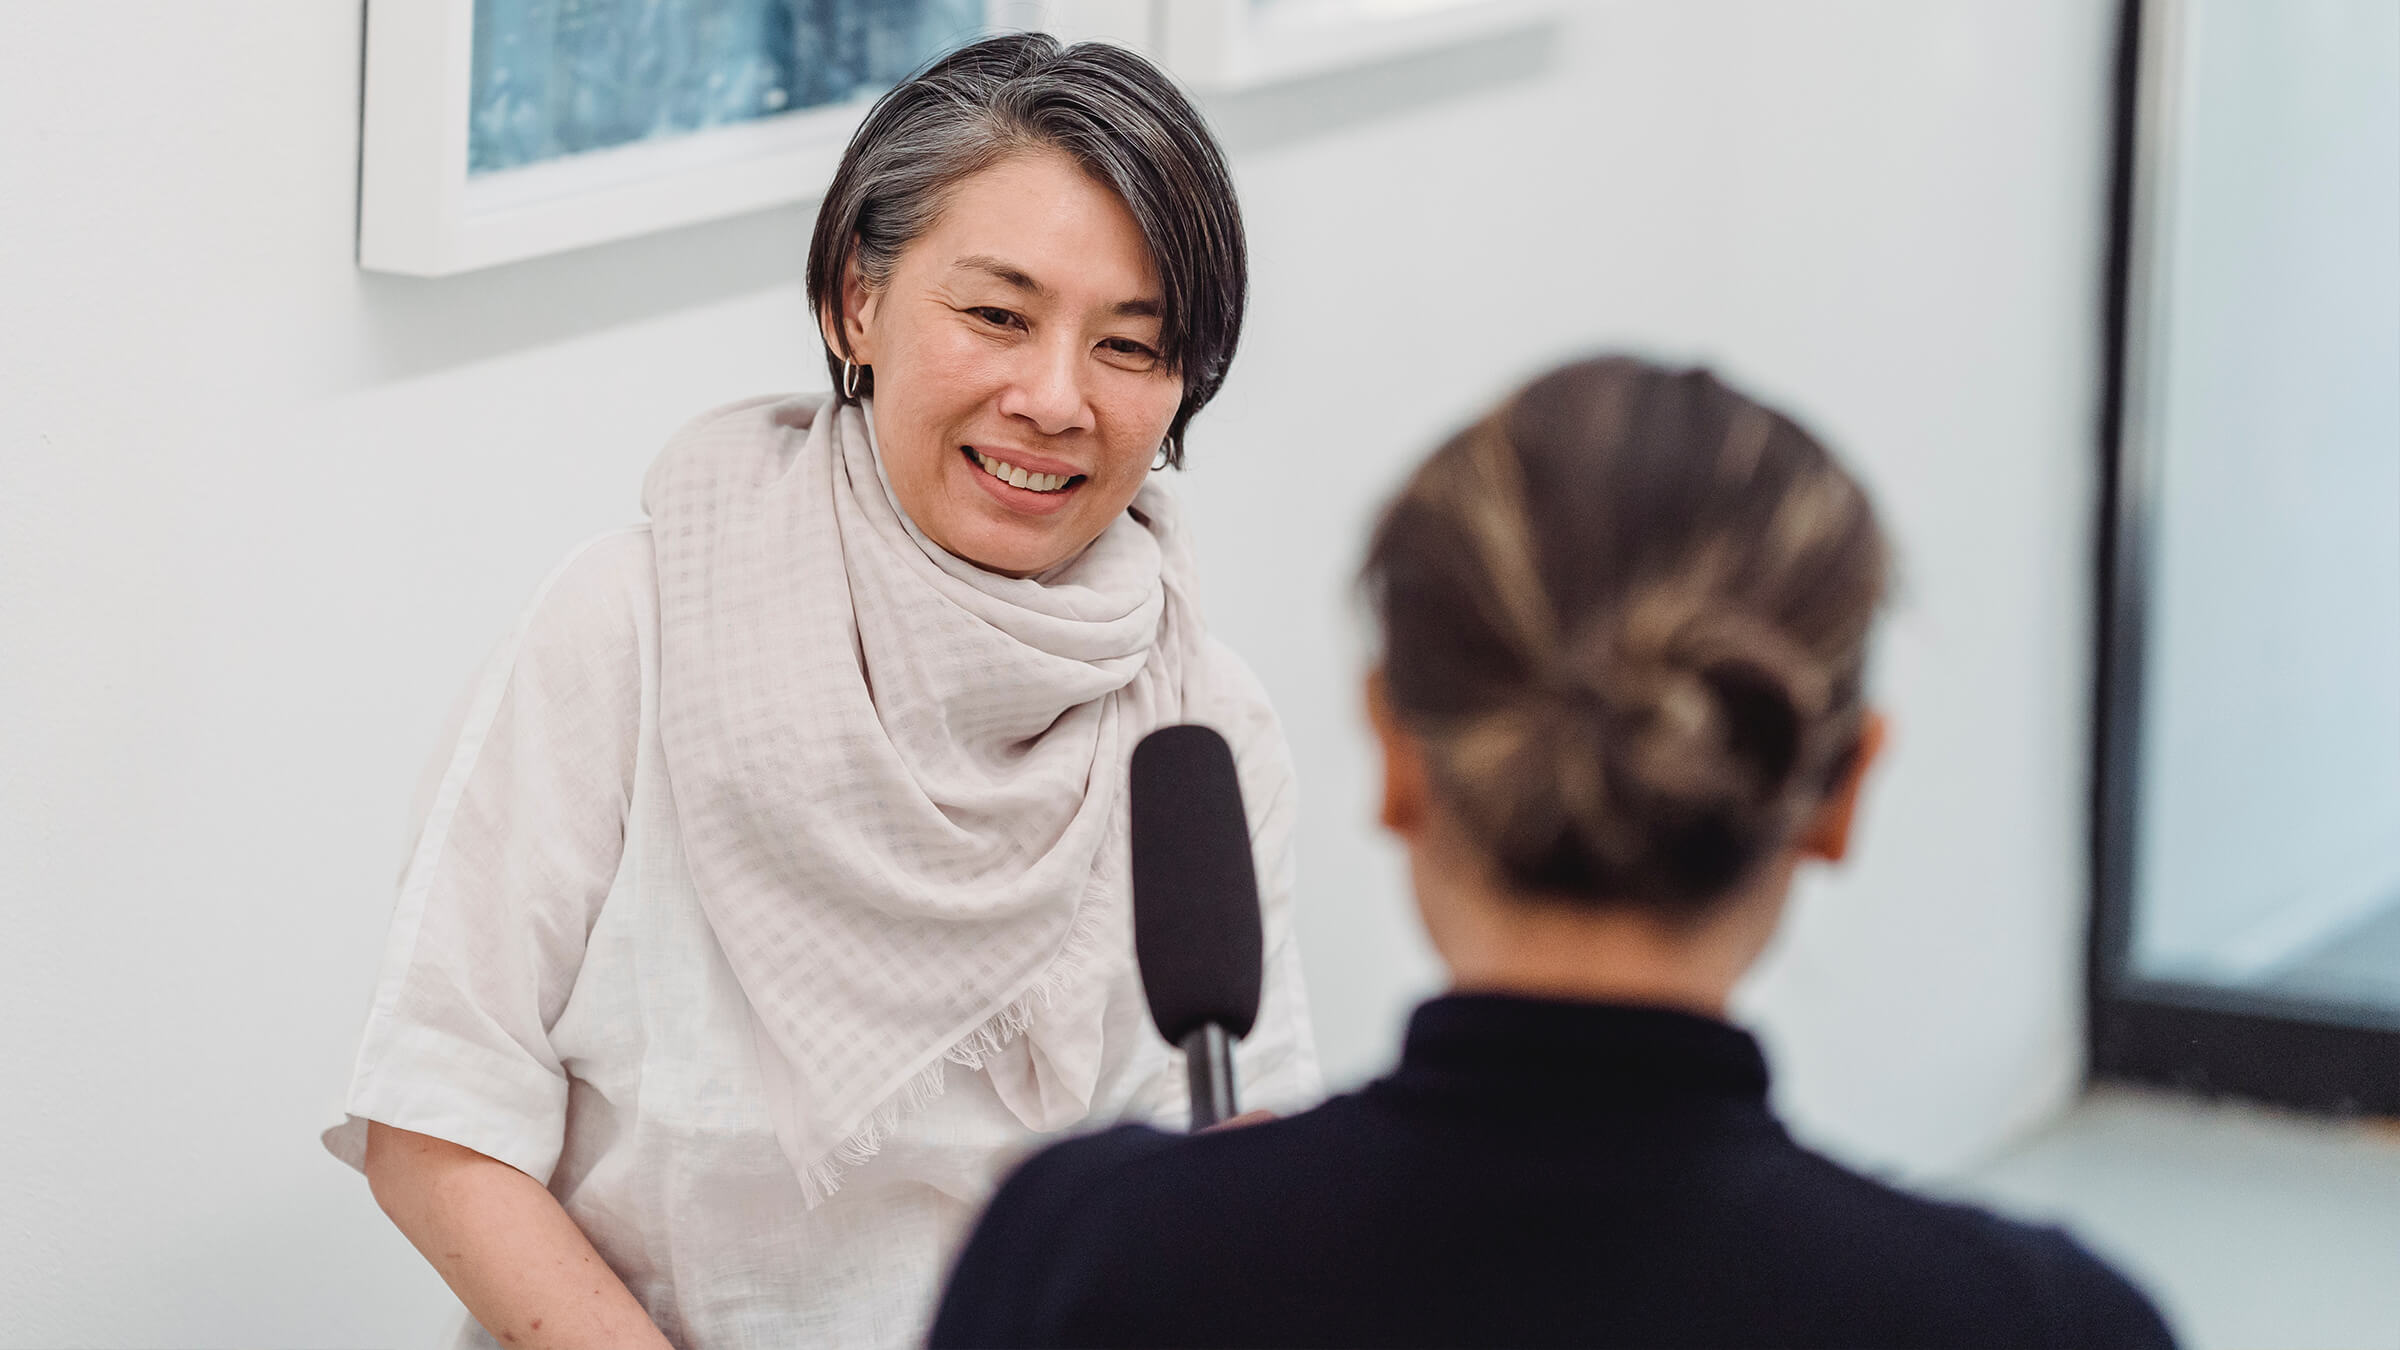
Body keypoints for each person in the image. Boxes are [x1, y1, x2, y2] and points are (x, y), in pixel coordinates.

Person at [322, 34, 1318, 1349]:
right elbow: (437, 1119)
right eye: (998, 316)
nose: (1054, 398)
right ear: (858, 300)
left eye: (1129, 345)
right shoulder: (630, 630)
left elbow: (1229, 1155)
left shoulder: (1200, 722)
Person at [930, 356, 2178, 1349]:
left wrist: (1191, 1234)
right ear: (1840, 795)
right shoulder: (2043, 1324)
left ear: (1397, 757)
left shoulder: (1086, 1263)